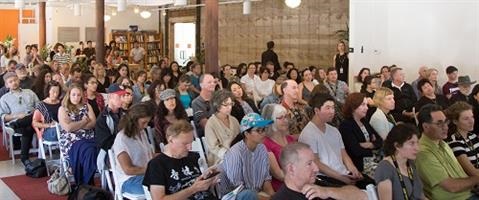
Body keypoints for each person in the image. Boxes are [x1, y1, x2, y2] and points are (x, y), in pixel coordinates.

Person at [299, 93, 373, 189]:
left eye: (333, 108)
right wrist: (342, 178)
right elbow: (316, 163)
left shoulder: (334, 130)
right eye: (328, 108)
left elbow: (344, 154)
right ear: (317, 110)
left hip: (343, 173)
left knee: (372, 185)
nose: (332, 111)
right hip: (325, 178)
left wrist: (353, 170)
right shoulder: (308, 134)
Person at [416, 104, 479, 200]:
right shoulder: (423, 153)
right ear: (425, 126)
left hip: (469, 193)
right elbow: (452, 187)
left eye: (446, 122)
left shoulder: (443, 144)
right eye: (439, 123)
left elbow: (461, 175)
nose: (445, 127)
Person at [143, 120, 218, 199]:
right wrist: (193, 189)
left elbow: (199, 185)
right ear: (171, 140)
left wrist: (207, 181)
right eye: (185, 144)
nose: (190, 147)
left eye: (191, 143)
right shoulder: (157, 165)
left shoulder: (193, 157)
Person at [271, 142, 368, 200]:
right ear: (291, 169)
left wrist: (328, 192)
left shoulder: (316, 183)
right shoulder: (282, 198)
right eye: (309, 164)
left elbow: (360, 195)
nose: (316, 168)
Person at [219, 113, 275, 199]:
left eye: (264, 129)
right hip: (235, 196)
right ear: (246, 134)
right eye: (259, 130)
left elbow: (265, 179)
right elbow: (237, 188)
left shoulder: (262, 148)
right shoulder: (236, 153)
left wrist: (273, 196)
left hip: (256, 194)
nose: (263, 133)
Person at [112, 102, 155, 195]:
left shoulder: (142, 132)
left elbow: (150, 155)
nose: (146, 126)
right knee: (159, 186)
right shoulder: (122, 138)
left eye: (147, 122)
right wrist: (150, 169)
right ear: (134, 120)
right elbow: (128, 170)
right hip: (128, 180)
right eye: (144, 122)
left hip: (145, 174)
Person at [374, 124, 426, 200]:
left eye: (417, 142)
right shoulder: (385, 168)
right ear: (397, 146)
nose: (417, 148)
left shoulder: (410, 162)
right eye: (411, 143)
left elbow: (421, 196)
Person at [0, 72, 40, 166]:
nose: (14, 83)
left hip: (32, 119)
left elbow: (39, 107)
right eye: (10, 82)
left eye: (15, 80)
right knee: (28, 128)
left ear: (18, 80)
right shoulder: (4, 98)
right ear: (7, 85)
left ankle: (24, 158)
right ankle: (24, 158)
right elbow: (3, 117)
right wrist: (16, 116)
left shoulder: (29, 92)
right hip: (19, 122)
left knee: (30, 120)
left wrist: (35, 111)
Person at [339, 93, 383, 176]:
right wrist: (373, 146)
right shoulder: (346, 126)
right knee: (387, 174)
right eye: (363, 105)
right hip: (360, 164)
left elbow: (380, 141)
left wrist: (369, 144)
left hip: (373, 160)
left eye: (366, 105)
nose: (366, 108)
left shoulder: (364, 121)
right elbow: (356, 151)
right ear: (353, 107)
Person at [261, 104, 296, 191]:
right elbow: (278, 174)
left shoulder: (290, 139)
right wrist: (300, 180)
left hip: (297, 183)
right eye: (280, 118)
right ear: (270, 121)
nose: (286, 120)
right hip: (283, 188)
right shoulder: (265, 144)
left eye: (286, 117)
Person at [58, 83, 96, 161]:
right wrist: (84, 121)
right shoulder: (63, 109)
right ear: (69, 95)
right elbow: (68, 128)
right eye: (73, 95)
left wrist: (73, 123)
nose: (76, 97)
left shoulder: (87, 106)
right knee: (88, 151)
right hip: (71, 140)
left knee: (93, 149)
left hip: (88, 137)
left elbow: (93, 123)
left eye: (78, 95)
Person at [204, 89, 240, 165]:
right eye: (226, 105)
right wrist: (229, 155)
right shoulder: (211, 123)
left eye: (231, 104)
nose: (229, 107)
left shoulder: (234, 120)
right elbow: (214, 148)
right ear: (217, 105)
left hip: (237, 155)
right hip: (220, 159)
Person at [445, 102, 479, 177]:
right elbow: (472, 173)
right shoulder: (454, 142)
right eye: (466, 118)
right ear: (455, 121)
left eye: (472, 117)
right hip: (472, 184)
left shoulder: (472, 136)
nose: (471, 121)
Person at [94, 84, 127, 151]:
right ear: (110, 96)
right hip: (111, 152)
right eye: (119, 96)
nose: (123, 99)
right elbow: (105, 143)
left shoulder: (126, 114)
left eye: (123, 96)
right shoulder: (102, 119)